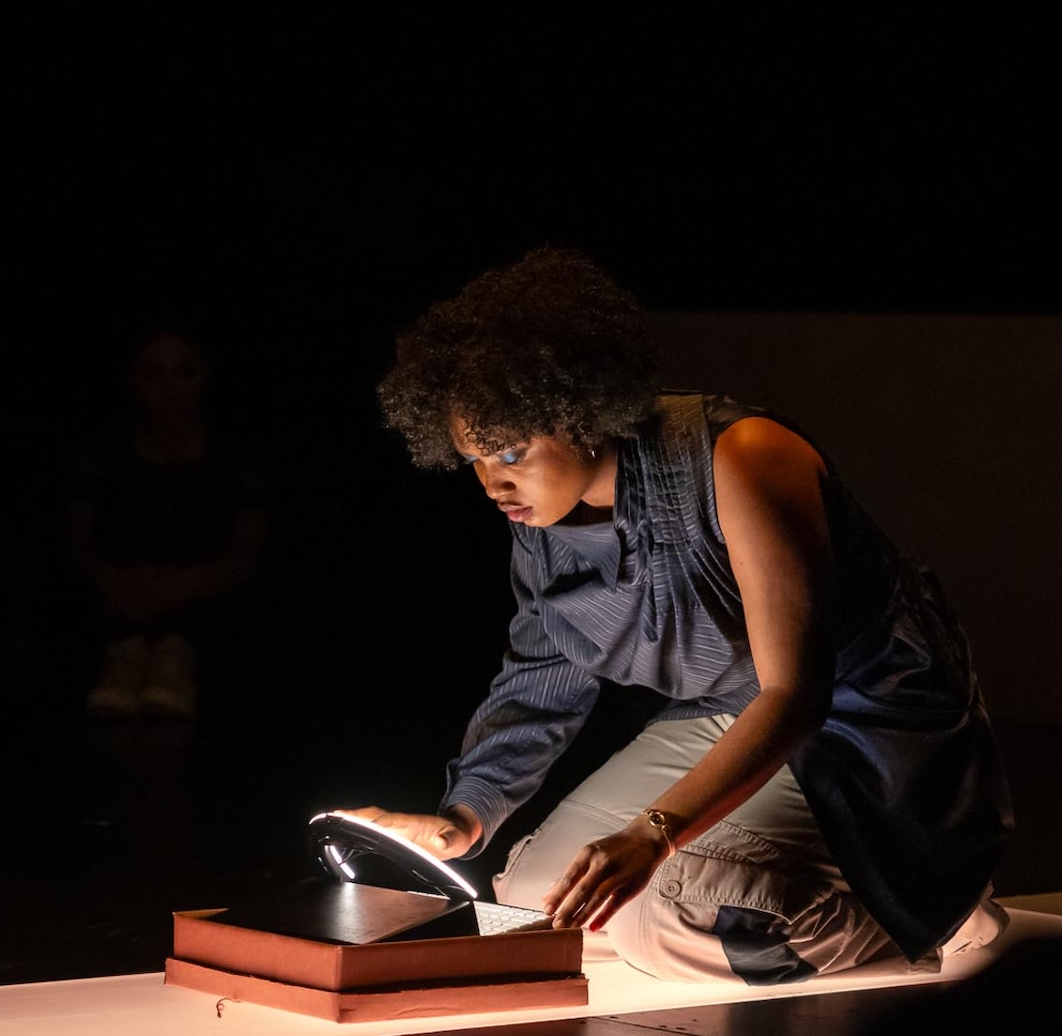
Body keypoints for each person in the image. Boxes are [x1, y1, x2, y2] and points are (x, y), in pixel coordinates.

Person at [345, 245, 1014, 984]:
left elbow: (795, 695)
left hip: (863, 722)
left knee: (682, 908)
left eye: (511, 450)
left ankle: (939, 906)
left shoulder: (745, 455)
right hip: (727, 709)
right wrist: (464, 817)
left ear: (580, 413)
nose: (492, 482)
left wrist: (655, 833)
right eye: (474, 458)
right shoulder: (536, 508)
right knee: (540, 894)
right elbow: (546, 670)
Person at [66, 319, 271, 718]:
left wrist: (190, 584)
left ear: (206, 376)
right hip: (114, 618)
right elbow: (77, 544)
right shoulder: (101, 459)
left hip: (210, 621)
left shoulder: (236, 462)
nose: (168, 389)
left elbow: (248, 551)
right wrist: (110, 580)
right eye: (151, 373)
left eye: (184, 371)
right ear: (129, 380)